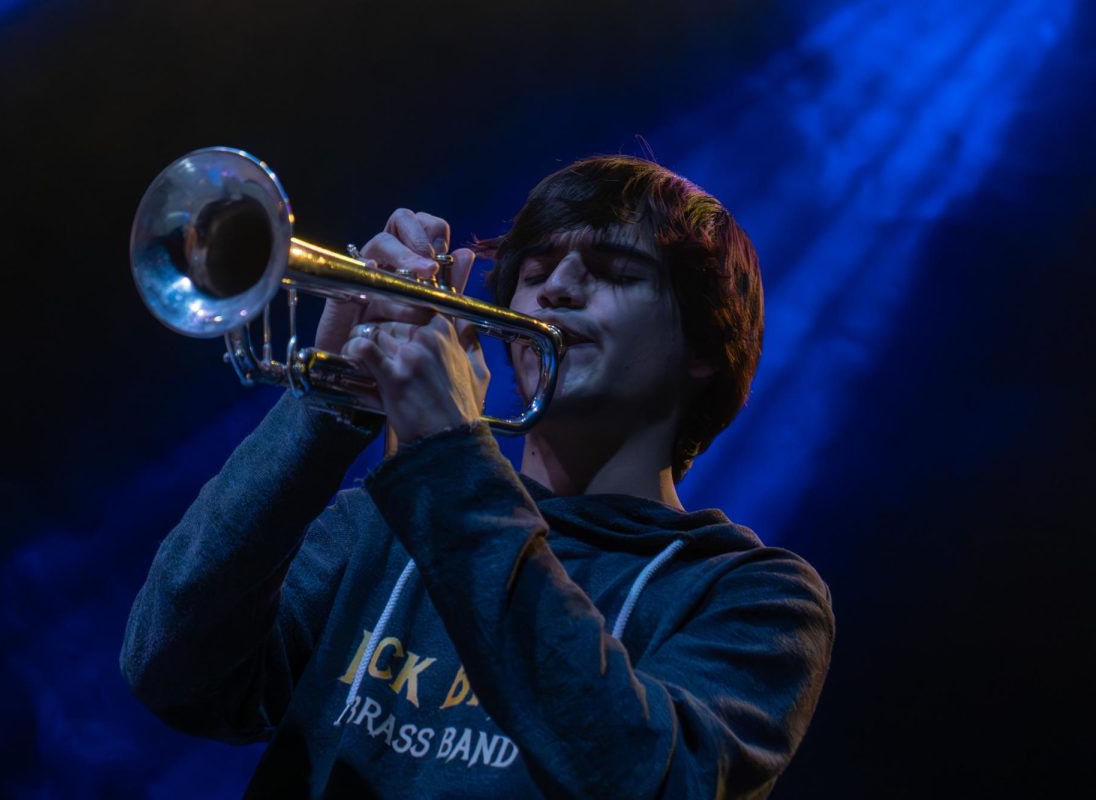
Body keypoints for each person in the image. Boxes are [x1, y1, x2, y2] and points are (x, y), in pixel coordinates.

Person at [121, 156, 834, 798]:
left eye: (616, 273)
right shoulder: (380, 527)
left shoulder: (753, 596)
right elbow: (168, 670)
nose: (555, 288)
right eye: (535, 270)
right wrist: (324, 410)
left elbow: (642, 778)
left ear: (703, 349)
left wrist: (451, 454)